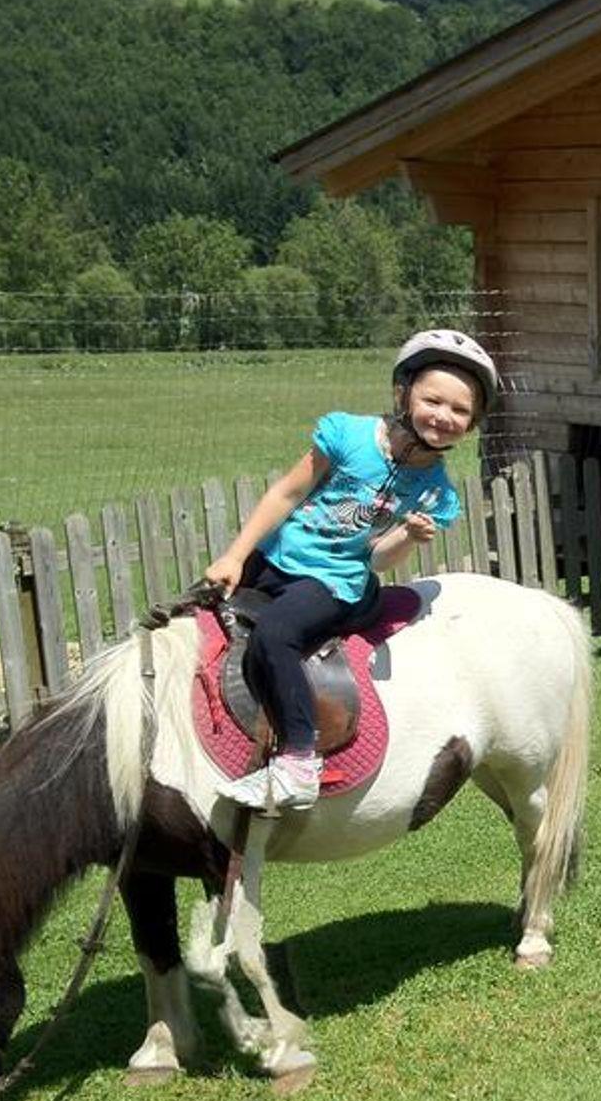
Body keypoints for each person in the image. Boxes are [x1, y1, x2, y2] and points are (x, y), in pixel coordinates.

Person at [205, 330, 497, 811]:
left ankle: (299, 764)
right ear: (403, 394)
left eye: (460, 410)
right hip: (274, 559)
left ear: (472, 424)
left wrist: (409, 537)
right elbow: (287, 493)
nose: (443, 416)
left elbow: (379, 558)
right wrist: (236, 556)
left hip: (335, 581)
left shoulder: (435, 492)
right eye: (432, 400)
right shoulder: (348, 437)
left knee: (275, 636)